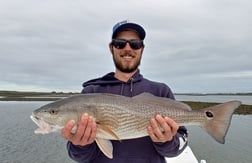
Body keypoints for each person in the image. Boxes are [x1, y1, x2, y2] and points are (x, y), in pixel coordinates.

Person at [61, 20, 188, 163]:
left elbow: (178, 148)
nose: (128, 48)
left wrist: (167, 142)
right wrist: (80, 144)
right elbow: (79, 157)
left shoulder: (161, 91)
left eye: (135, 43)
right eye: (120, 43)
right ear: (111, 48)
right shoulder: (91, 93)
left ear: (142, 49)